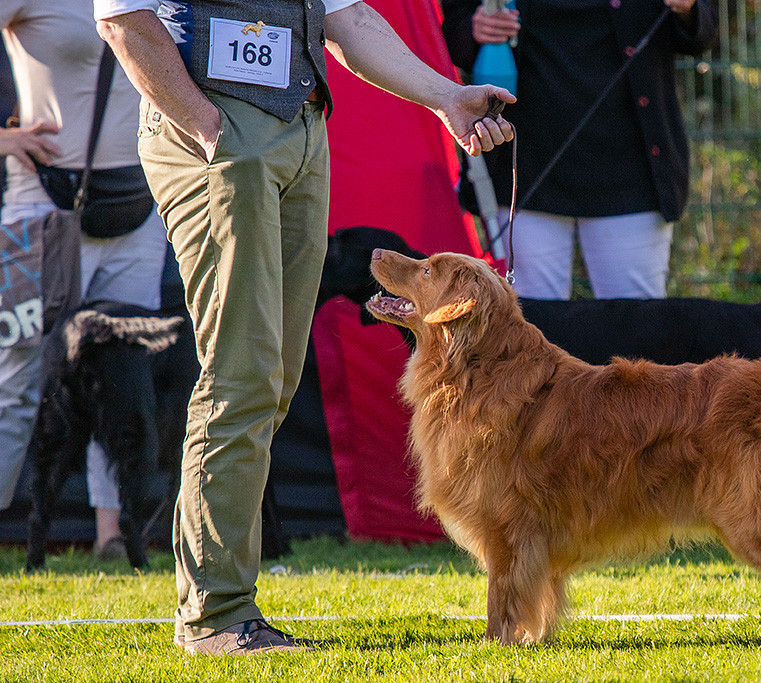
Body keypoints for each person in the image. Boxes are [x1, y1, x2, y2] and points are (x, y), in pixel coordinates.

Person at [92, 0, 515, 655]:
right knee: (242, 370)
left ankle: (225, 605)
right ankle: (215, 615)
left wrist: (446, 97)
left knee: (274, 374)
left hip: (300, 128)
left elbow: (348, 21)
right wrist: (209, 130)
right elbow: (123, 18)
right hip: (216, 128)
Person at [0, 1, 168, 562]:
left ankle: (112, 535)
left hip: (141, 213)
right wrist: (2, 140)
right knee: (16, 377)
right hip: (40, 206)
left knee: (123, 379)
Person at [442, 0, 718, 300]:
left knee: (637, 322)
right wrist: (474, 29)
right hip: (523, 164)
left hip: (632, 169)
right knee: (529, 322)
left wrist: (688, 9)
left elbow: (703, 31)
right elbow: (451, 34)